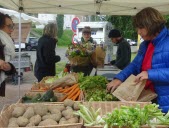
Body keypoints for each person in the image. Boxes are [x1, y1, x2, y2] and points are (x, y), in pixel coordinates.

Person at [107, 7, 169, 113]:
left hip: (165, 102)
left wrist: (150, 74)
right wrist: (119, 78)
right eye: (137, 28)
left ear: (152, 25)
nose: (138, 32)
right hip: (148, 97)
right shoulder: (146, 45)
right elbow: (134, 65)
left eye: (141, 28)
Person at [0, 12, 16, 96]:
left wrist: (9, 67)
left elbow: (5, 61)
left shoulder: (6, 41)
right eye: (9, 26)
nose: (12, 29)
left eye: (12, 26)